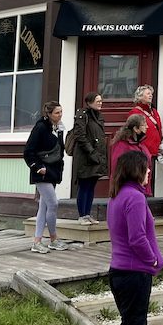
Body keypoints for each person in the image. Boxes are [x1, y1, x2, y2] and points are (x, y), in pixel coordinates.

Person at [107, 150, 163, 325]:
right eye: (146, 167)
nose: (149, 170)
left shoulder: (117, 196)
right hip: (134, 273)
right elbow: (137, 238)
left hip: (118, 271)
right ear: (135, 170)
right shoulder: (135, 197)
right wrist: (153, 259)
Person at [24, 101, 67, 254]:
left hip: (53, 171)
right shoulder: (40, 128)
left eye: (61, 112)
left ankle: (37, 241)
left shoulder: (58, 127)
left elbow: (59, 150)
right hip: (42, 171)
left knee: (44, 207)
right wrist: (37, 167)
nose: (60, 115)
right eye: (57, 113)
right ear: (48, 114)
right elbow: (28, 151)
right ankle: (53, 239)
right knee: (53, 203)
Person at [72, 92, 108, 225]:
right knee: (84, 185)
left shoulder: (98, 116)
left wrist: (98, 155)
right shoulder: (82, 115)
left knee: (91, 186)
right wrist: (91, 152)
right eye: (97, 101)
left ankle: (87, 214)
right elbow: (80, 136)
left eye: (101, 101)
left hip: (96, 156)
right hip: (85, 157)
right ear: (89, 102)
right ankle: (82, 215)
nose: (100, 103)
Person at [129, 85, 163, 189]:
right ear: (140, 96)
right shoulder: (135, 112)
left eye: (151, 94)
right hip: (142, 150)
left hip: (153, 150)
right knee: (142, 177)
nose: (151, 96)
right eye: (148, 94)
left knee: (149, 177)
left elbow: (159, 128)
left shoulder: (154, 112)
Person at [110, 114, 151, 193]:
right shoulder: (122, 145)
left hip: (141, 187)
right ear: (135, 128)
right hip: (129, 189)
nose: (147, 127)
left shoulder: (140, 144)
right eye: (144, 125)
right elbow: (116, 168)